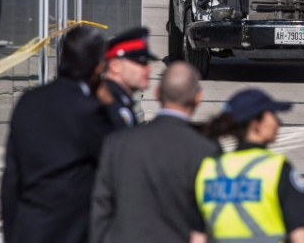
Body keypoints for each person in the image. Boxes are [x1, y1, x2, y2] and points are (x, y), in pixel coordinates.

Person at [1, 26, 113, 243]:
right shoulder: (91, 110)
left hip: (30, 229)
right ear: (99, 66)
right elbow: (114, 169)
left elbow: (11, 180)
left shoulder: (28, 102)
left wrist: (11, 234)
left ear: (61, 58)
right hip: (73, 232)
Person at [91, 61, 219, 243]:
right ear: (198, 97)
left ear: (157, 93)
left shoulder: (118, 143)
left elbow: (101, 208)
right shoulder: (207, 150)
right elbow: (213, 214)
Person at [196, 88, 304, 243]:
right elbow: (300, 236)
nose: (279, 122)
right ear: (255, 123)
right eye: (272, 115)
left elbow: (197, 236)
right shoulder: (276, 169)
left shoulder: (209, 169)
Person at [102, 27, 159, 127]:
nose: (148, 68)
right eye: (141, 62)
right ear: (115, 66)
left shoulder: (119, 101)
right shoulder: (108, 108)